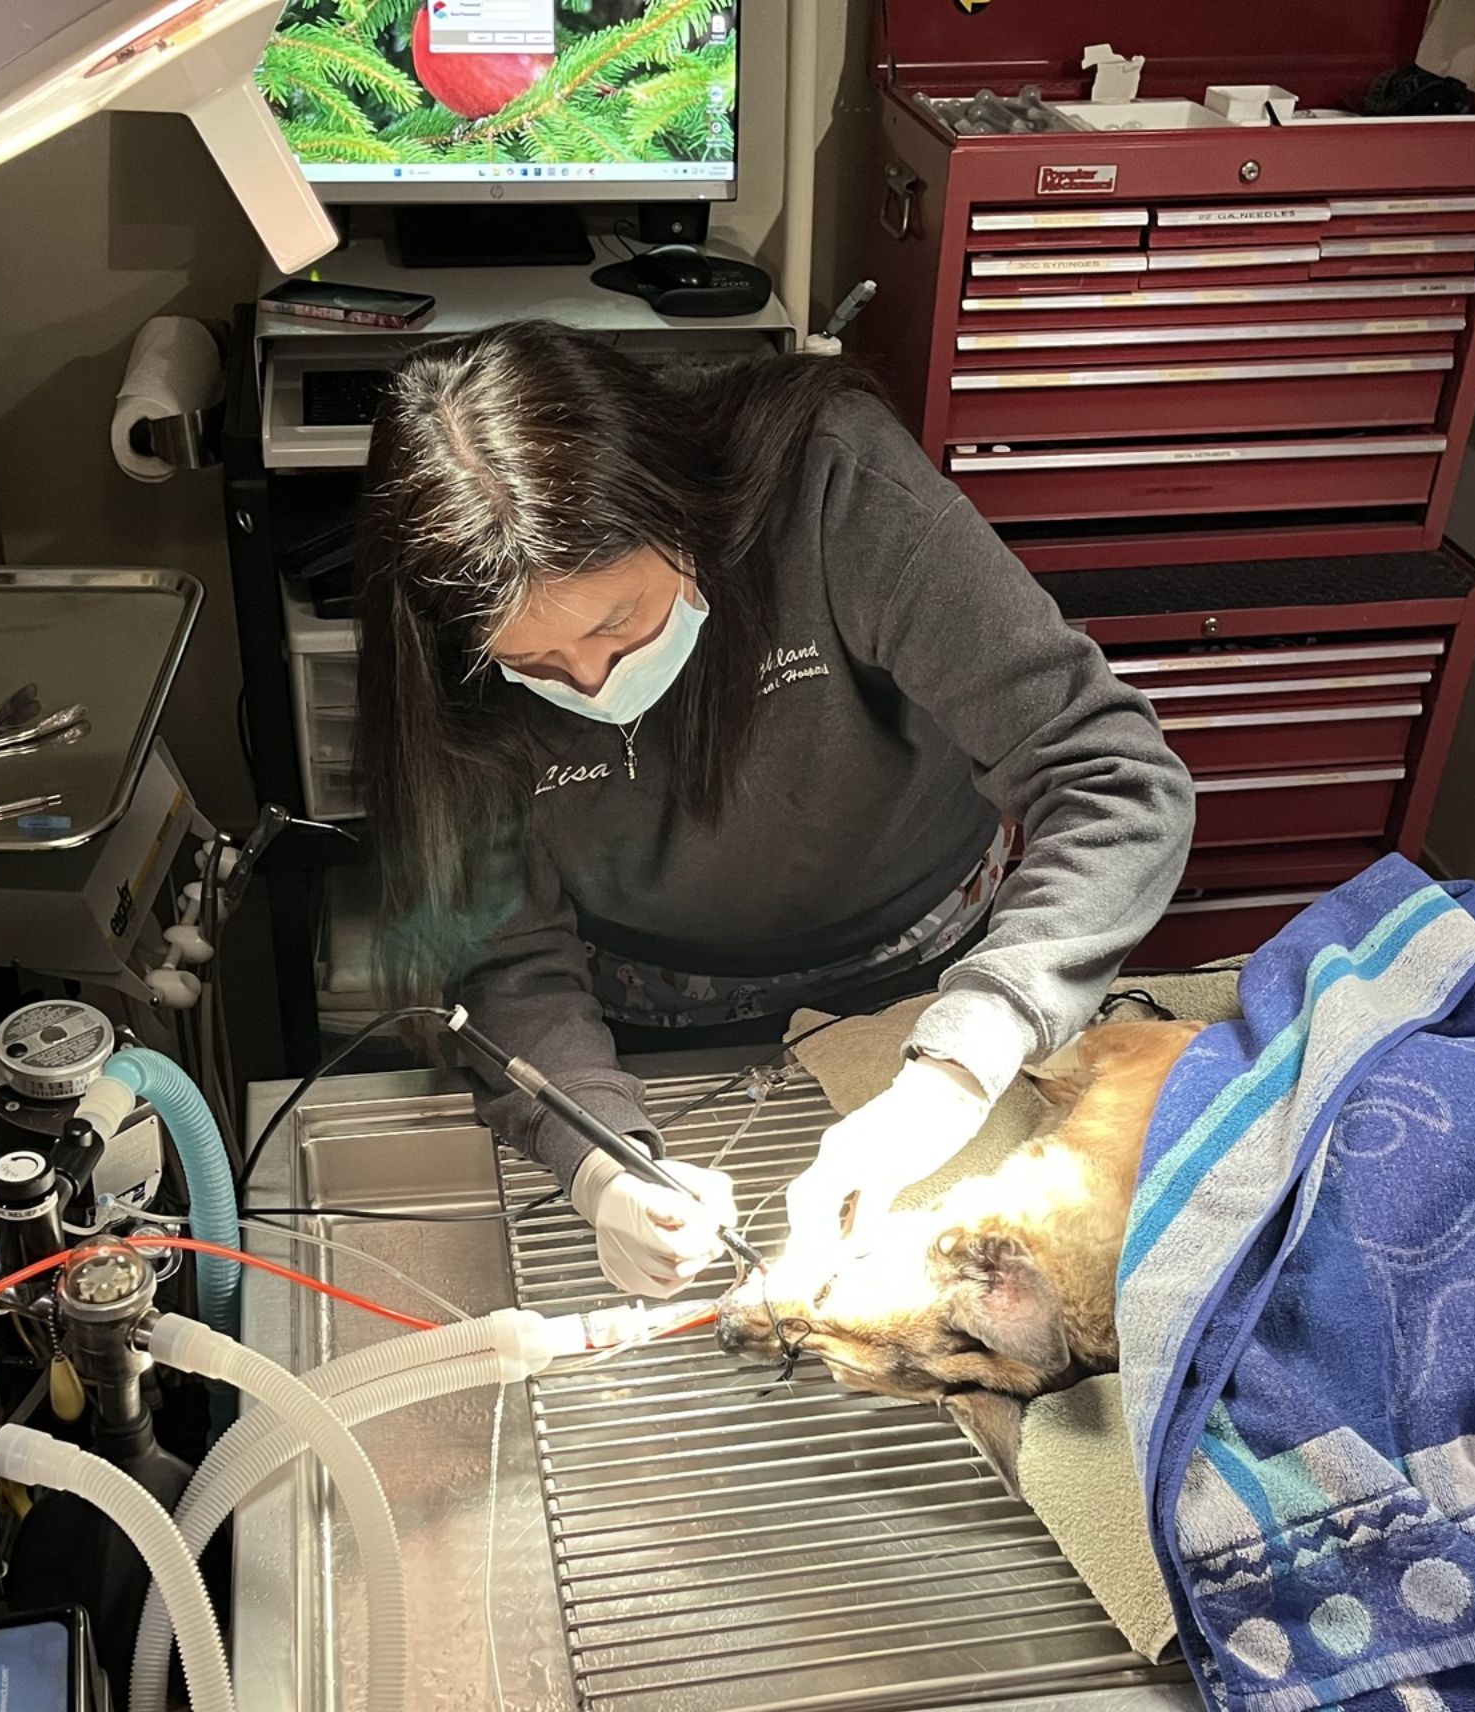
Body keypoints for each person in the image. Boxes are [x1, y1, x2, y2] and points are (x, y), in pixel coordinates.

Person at [354, 322, 1193, 1298]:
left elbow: (1112, 777)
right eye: (537, 663)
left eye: (621, 622)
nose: (593, 681)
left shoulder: (833, 489)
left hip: (930, 967)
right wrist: (602, 1162)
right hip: (647, 1017)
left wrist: (957, 1067)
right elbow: (507, 959)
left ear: (684, 514)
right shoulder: (444, 677)